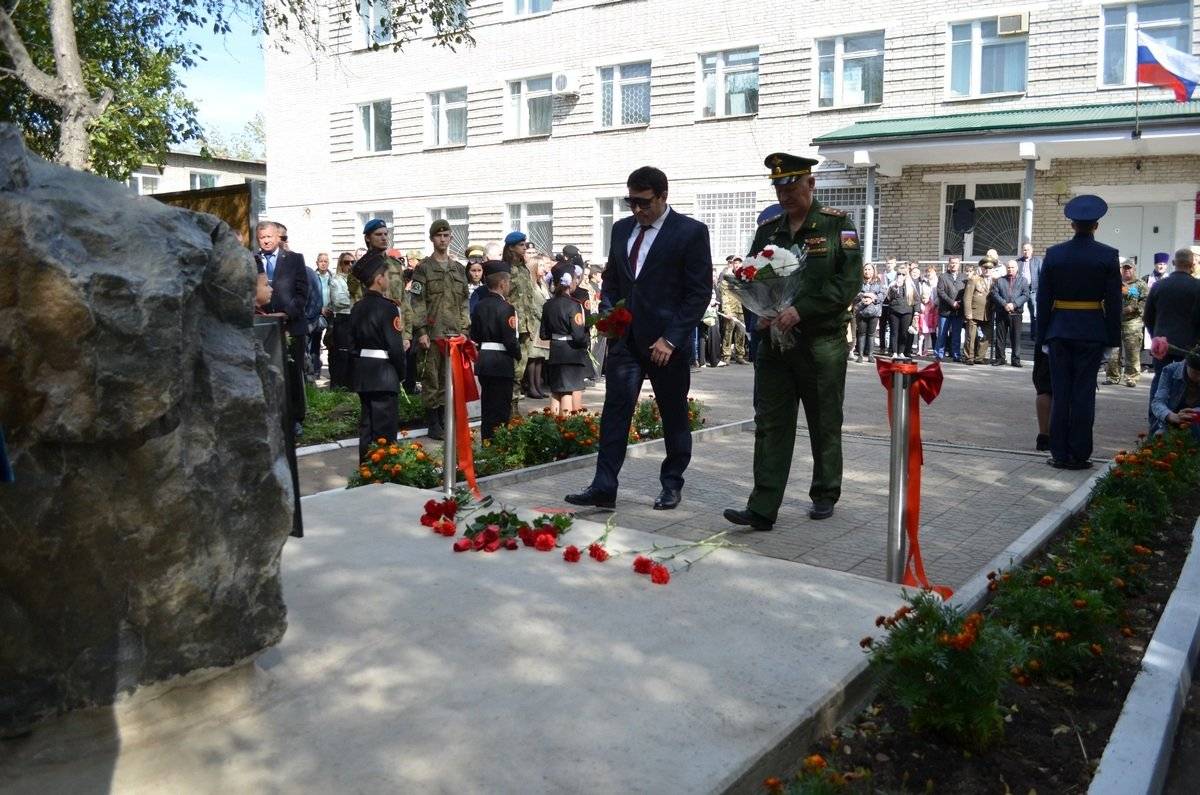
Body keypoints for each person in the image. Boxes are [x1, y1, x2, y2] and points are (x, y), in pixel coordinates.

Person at [724, 152, 863, 530]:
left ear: (810, 184)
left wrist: (802, 309)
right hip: (774, 345)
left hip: (821, 344)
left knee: (824, 421)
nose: (785, 194)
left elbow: (849, 283)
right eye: (779, 187)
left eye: (792, 186)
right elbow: (754, 275)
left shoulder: (837, 227)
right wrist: (762, 309)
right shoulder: (769, 229)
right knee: (770, 423)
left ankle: (824, 492)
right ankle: (763, 506)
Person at [565, 165, 712, 511]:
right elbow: (614, 281)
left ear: (663, 197)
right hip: (625, 342)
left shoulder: (690, 232)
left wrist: (672, 339)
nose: (637, 210)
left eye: (644, 203)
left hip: (665, 345)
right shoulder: (621, 230)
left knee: (673, 414)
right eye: (631, 202)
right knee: (615, 413)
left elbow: (698, 293)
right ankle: (604, 487)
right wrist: (608, 315)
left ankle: (671, 484)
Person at [1035, 194, 1121, 469]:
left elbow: (1043, 299)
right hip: (1092, 331)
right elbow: (1114, 302)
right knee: (1084, 394)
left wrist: (1043, 336)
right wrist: (1112, 339)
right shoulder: (1107, 255)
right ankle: (1080, 453)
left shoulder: (1054, 254)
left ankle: (1060, 453)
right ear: (1096, 226)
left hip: (1059, 331)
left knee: (1061, 393)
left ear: (1072, 225)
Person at [410, 219, 469, 440]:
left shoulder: (458, 269)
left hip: (454, 333)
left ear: (451, 238)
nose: (442, 239)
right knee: (431, 378)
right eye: (438, 236)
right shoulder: (423, 268)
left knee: (449, 379)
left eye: (446, 236)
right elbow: (417, 301)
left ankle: (445, 420)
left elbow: (464, 301)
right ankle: (433, 423)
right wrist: (421, 331)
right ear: (432, 239)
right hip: (433, 334)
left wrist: (465, 329)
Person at [348, 249, 406, 462]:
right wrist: (401, 373)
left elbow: (351, 344)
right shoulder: (388, 309)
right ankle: (384, 472)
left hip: (364, 373)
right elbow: (396, 348)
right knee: (385, 429)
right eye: (387, 276)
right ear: (379, 279)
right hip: (384, 374)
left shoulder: (357, 308)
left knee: (367, 427)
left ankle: (366, 468)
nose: (389, 280)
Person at [257, 221, 308, 426]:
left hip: (291, 326)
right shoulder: (252, 260)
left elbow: (302, 293)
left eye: (269, 236)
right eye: (262, 238)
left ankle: (296, 418)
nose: (266, 241)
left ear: (278, 237)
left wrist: (285, 314)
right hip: (263, 326)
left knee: (292, 373)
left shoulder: (294, 259)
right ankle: (272, 417)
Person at [1143, 247, 1200, 412]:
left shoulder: (1158, 286)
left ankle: (1156, 421)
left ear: (1174, 263)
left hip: (1162, 345)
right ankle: (1182, 421)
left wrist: (1157, 337)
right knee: (1188, 383)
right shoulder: (1197, 287)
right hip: (1189, 346)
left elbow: (1147, 317)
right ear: (1192, 265)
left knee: (1160, 381)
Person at [470, 259, 520, 439]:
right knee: (501, 409)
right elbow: (510, 339)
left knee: (488, 407)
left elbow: (474, 334)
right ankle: (499, 446)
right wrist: (518, 354)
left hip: (484, 360)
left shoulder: (479, 306)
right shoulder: (507, 308)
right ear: (502, 283)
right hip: (501, 362)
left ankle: (487, 442)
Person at [540, 261, 590, 414]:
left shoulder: (548, 305)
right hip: (572, 353)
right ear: (569, 282)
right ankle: (567, 429)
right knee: (568, 391)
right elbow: (578, 335)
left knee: (556, 391)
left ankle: (553, 426)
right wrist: (584, 343)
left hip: (555, 351)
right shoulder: (574, 305)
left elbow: (543, 334)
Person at [504, 231, 545, 405]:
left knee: (521, 368)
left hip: (527, 325)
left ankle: (514, 403)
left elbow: (529, 298)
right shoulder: (505, 269)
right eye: (521, 245)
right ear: (512, 248)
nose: (524, 247)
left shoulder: (523, 269)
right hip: (512, 324)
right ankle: (509, 405)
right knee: (512, 368)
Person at [1103, 262, 1147, 387]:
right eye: (1124, 268)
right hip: (1115, 321)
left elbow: (1145, 301)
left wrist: (1135, 308)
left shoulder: (1140, 284)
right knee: (1113, 351)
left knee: (1132, 351)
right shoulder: (1115, 282)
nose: (1127, 271)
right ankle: (1112, 376)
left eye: (1129, 268)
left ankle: (1131, 377)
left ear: (1134, 269)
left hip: (1132, 322)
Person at [990, 259, 1030, 367]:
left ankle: (1015, 359)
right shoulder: (999, 280)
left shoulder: (1023, 280)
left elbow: (1026, 295)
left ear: (1016, 268)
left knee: (1015, 337)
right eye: (1008, 267)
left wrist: (1014, 304)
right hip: (1002, 312)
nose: (1010, 269)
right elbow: (994, 294)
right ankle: (1000, 358)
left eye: (1012, 267)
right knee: (1000, 337)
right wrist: (1004, 304)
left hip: (1016, 313)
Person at [1150, 354, 1200, 437]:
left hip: (1196, 421)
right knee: (1160, 436)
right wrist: (1172, 416)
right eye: (1195, 373)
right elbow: (1157, 402)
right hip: (1172, 420)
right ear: (1186, 364)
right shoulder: (1170, 370)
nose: (1199, 378)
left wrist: (1191, 413)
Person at [328, 252, 355, 389]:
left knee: (352, 352)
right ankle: (338, 383)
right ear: (340, 264)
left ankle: (349, 383)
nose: (350, 265)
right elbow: (338, 301)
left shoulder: (356, 280)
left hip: (353, 318)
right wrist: (355, 300)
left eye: (352, 262)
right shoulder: (336, 280)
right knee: (341, 353)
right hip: (342, 318)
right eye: (346, 262)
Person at [963, 260, 992, 366]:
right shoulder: (974, 280)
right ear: (981, 269)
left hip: (987, 313)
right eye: (985, 268)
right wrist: (968, 312)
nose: (987, 270)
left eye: (989, 268)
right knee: (971, 336)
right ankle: (969, 357)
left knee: (985, 336)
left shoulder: (994, 281)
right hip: (974, 312)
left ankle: (979, 357)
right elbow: (967, 297)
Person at [853, 263, 885, 363]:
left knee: (871, 334)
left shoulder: (878, 282)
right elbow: (854, 293)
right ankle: (861, 355)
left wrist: (873, 298)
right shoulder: (858, 282)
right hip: (861, 311)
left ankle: (871, 355)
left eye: (869, 269)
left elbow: (882, 295)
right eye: (865, 269)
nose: (867, 271)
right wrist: (863, 295)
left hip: (874, 312)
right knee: (861, 334)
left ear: (873, 271)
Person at [935, 255, 964, 362]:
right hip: (945, 310)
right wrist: (952, 302)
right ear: (948, 264)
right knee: (942, 333)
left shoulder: (963, 277)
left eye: (955, 263)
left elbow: (966, 293)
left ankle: (956, 355)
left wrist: (959, 303)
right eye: (951, 263)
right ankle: (939, 354)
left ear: (959, 264)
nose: (953, 265)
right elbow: (940, 292)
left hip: (958, 311)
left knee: (956, 334)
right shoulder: (943, 277)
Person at [719, 259, 748, 365]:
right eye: (734, 263)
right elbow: (724, 296)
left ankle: (740, 355)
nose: (736, 265)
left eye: (738, 263)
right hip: (730, 309)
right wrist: (727, 311)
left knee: (741, 332)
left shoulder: (741, 277)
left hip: (739, 309)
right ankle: (726, 356)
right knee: (728, 332)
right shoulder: (726, 278)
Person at [309, 252, 334, 379]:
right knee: (315, 342)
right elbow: (311, 297)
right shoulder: (312, 277)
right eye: (321, 261)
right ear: (317, 263)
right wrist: (320, 309)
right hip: (317, 314)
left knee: (331, 342)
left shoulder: (332, 277)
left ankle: (333, 371)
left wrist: (331, 308)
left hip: (331, 313)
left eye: (326, 261)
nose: (323, 263)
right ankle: (315, 370)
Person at [886, 263, 919, 357]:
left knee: (904, 333)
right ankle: (894, 352)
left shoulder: (911, 285)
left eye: (903, 274)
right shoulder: (893, 284)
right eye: (899, 274)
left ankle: (901, 352)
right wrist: (895, 288)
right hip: (894, 311)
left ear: (906, 275)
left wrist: (916, 312)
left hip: (907, 312)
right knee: (894, 332)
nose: (901, 276)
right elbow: (889, 298)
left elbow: (917, 300)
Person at [1017, 242, 1042, 338]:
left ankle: (1034, 335)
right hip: (1020, 292)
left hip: (1033, 291)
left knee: (1034, 314)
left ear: (1032, 251)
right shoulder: (1018, 262)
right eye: (1024, 250)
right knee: (1018, 313)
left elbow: (1042, 276)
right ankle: (1017, 335)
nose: (1026, 251)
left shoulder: (1038, 261)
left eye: (1027, 249)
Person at [917, 265, 939, 357]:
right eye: (928, 272)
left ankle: (934, 349)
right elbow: (921, 294)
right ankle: (921, 350)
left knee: (933, 330)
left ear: (935, 272)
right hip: (925, 307)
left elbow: (939, 294)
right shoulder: (923, 283)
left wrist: (935, 303)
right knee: (923, 331)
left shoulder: (938, 282)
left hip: (936, 307)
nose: (929, 273)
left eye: (931, 272)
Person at [466, 243, 486, 312]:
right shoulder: (463, 288)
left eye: (479, 270)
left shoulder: (487, 288)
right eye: (473, 271)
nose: (476, 274)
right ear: (468, 271)